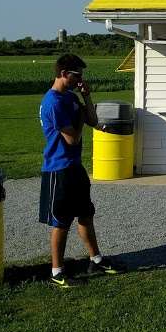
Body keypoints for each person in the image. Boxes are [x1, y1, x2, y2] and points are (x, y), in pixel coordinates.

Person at [39, 54, 125, 287]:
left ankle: (96, 260)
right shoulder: (54, 102)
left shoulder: (71, 97)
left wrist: (86, 96)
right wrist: (79, 116)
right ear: (64, 74)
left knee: (86, 214)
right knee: (62, 221)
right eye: (77, 75)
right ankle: (57, 272)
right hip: (59, 169)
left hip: (75, 168)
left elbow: (93, 119)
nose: (80, 79)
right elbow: (72, 139)